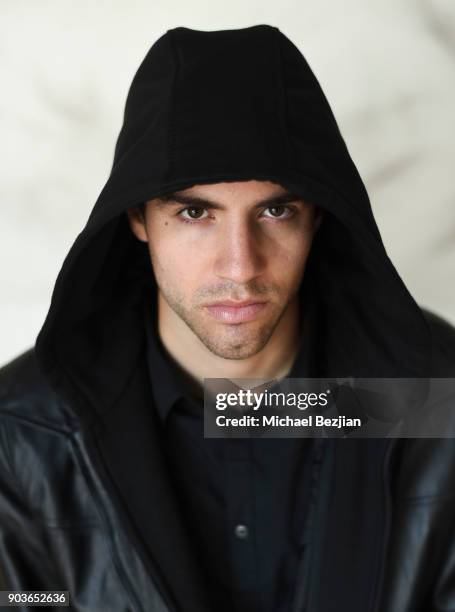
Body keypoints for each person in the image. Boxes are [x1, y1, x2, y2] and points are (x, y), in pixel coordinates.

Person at [0, 24, 454, 612]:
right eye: (195, 212)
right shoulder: (22, 435)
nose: (240, 267)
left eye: (275, 210)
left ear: (317, 216)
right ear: (138, 219)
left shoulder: (436, 402)